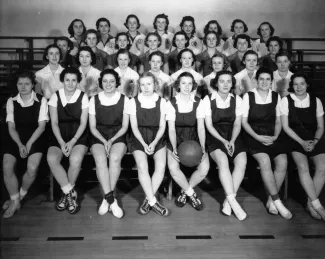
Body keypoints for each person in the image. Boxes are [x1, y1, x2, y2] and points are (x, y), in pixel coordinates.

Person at [241, 67, 292, 220]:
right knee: (265, 162)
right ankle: (278, 201)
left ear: (272, 81)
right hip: (253, 135)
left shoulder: (276, 96)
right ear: (256, 81)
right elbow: (244, 122)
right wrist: (257, 136)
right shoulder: (248, 96)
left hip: (272, 135)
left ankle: (271, 200)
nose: (264, 82)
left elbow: (278, 121)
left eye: (267, 79)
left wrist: (276, 136)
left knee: (283, 162)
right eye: (261, 79)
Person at [2, 71, 48, 219]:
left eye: (26, 84)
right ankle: (14, 200)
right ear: (16, 85)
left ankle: (19, 196)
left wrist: (28, 144)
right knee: (7, 166)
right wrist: (20, 144)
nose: (23, 87)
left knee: (32, 168)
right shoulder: (11, 101)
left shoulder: (42, 100)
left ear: (33, 85)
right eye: (20, 84)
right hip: (16, 137)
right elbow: (11, 127)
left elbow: (41, 127)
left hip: (35, 136)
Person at [280, 72, 325, 221]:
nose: (299, 87)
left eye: (302, 84)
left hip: (314, 138)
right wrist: (302, 142)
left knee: (323, 167)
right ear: (292, 86)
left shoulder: (315, 100)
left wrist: (315, 141)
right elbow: (286, 127)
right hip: (294, 139)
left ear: (307, 85)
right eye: (296, 84)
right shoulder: (286, 101)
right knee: (303, 167)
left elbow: (320, 126)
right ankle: (317, 204)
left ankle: (310, 202)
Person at [203, 71, 247, 220]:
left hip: (232, 135)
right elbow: (208, 126)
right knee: (223, 162)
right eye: (222, 81)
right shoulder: (207, 100)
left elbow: (237, 124)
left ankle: (228, 202)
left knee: (242, 162)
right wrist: (223, 141)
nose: (226, 84)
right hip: (215, 135)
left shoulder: (238, 100)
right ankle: (234, 202)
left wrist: (233, 140)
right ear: (216, 83)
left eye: (229, 81)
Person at [47, 67, 89, 214]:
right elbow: (54, 123)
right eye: (67, 80)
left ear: (77, 81)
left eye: (73, 80)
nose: (70, 83)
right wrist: (61, 142)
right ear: (62, 81)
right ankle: (70, 193)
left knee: (75, 159)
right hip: (58, 135)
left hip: (78, 135)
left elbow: (84, 123)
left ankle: (66, 196)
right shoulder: (55, 96)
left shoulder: (83, 96)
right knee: (52, 159)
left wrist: (72, 142)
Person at [89, 69, 130, 219]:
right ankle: (112, 200)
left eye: (112, 81)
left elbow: (125, 126)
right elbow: (92, 127)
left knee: (114, 158)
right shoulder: (93, 99)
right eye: (105, 81)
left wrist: (112, 140)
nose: (108, 84)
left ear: (117, 83)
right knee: (100, 160)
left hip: (118, 135)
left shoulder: (125, 99)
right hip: (98, 135)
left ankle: (107, 199)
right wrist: (105, 140)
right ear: (100, 83)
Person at [127, 72, 170, 216]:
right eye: (143, 84)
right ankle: (153, 202)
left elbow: (163, 126)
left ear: (155, 85)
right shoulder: (133, 101)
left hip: (157, 137)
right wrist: (145, 144)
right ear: (139, 86)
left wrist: (154, 142)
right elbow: (133, 127)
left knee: (161, 166)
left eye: (149, 84)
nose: (146, 87)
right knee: (142, 166)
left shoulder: (162, 102)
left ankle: (147, 198)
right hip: (139, 137)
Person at [166, 72, 209, 211]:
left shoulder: (199, 102)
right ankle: (192, 194)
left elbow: (201, 127)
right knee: (173, 168)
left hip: (194, 138)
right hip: (176, 139)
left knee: (204, 169)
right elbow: (171, 129)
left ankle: (184, 192)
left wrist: (202, 147)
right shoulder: (171, 103)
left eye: (190, 83)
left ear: (193, 86)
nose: (186, 86)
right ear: (178, 85)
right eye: (183, 83)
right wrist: (173, 148)